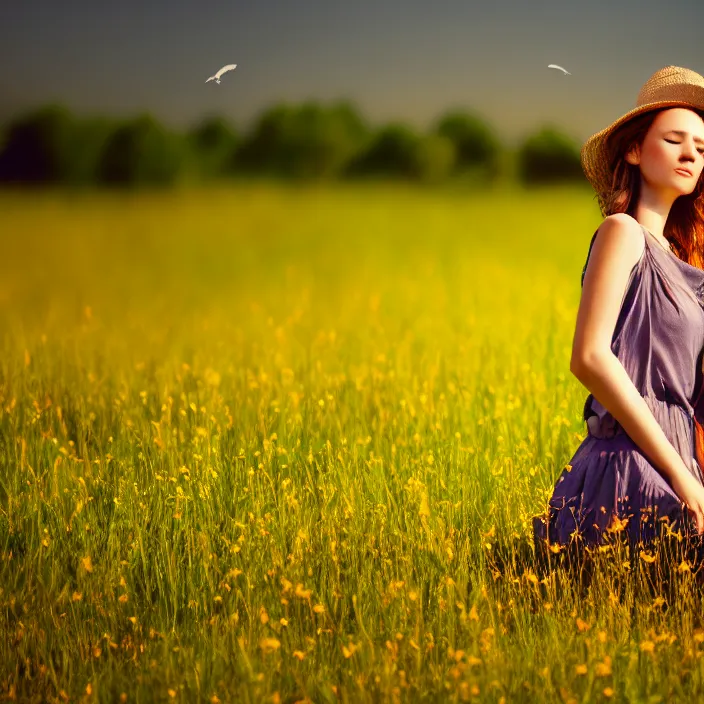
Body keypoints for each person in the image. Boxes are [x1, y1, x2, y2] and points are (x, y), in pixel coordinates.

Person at [532, 66, 704, 556]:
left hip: (681, 466)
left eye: (702, 147)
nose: (691, 153)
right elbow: (589, 357)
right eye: (674, 140)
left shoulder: (685, 263)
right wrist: (679, 476)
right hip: (630, 467)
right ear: (634, 149)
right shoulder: (622, 233)